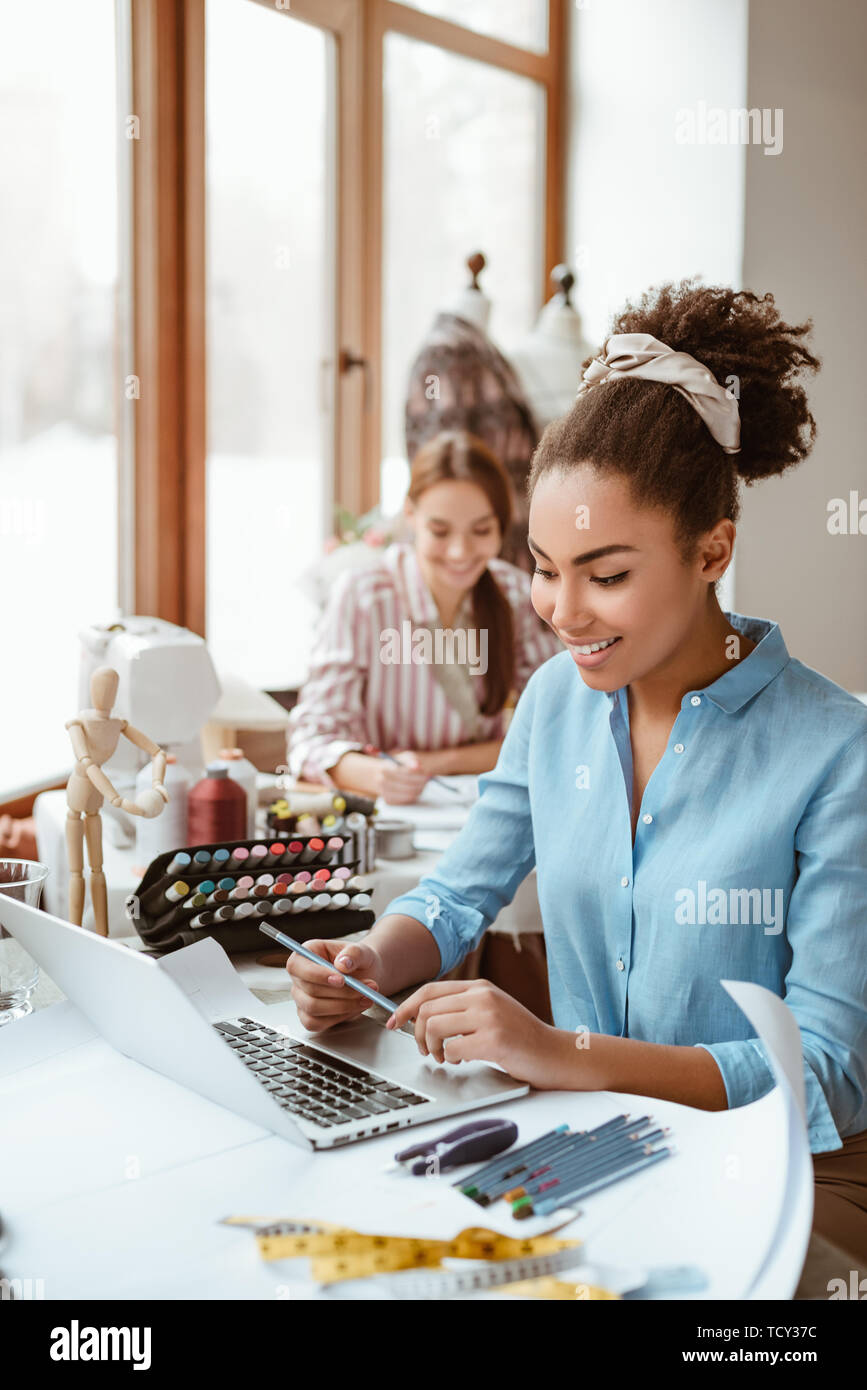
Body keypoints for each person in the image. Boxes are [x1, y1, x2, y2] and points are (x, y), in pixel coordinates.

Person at [286, 280, 867, 1265]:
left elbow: (827, 1073)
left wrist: (563, 1054)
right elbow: (461, 890)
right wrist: (372, 960)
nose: (562, 610)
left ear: (711, 549)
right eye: (545, 567)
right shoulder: (555, 705)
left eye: (605, 574)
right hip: (603, 1143)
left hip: (787, 1170)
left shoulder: (834, 751)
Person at [286, 430, 561, 803]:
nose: (460, 552)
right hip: (384, 815)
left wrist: (433, 763)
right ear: (410, 515)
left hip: (481, 807)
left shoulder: (514, 594)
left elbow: (550, 730)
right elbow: (311, 739)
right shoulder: (364, 595)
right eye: (440, 531)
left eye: (481, 530)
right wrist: (377, 776)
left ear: (502, 526)